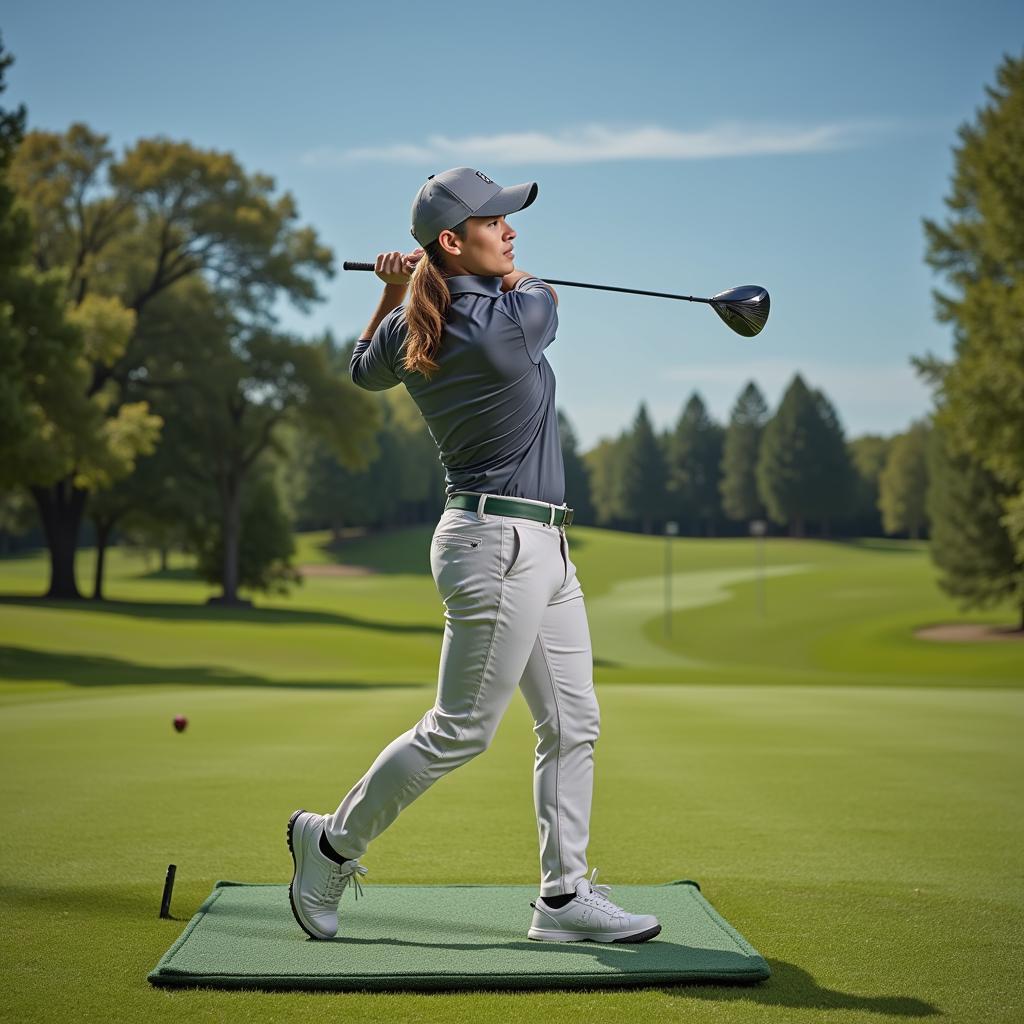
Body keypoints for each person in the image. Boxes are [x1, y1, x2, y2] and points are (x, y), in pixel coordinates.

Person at [287, 167, 661, 945]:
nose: (512, 232)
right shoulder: (511, 318)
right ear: (456, 239)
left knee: (574, 720)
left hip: (536, 542)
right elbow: (543, 294)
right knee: (461, 728)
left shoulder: (416, 324)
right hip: (499, 545)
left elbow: (361, 371)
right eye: (496, 222)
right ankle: (328, 844)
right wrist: (443, 274)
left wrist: (397, 289)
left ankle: (564, 899)